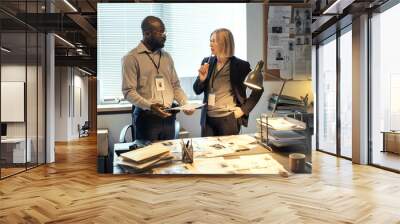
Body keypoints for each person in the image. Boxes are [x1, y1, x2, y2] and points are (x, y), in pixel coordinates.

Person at [122, 16, 194, 142]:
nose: (164, 36)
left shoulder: (167, 57)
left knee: (169, 157)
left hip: (169, 117)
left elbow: (175, 86)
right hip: (147, 119)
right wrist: (150, 106)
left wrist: (184, 103)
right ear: (147, 33)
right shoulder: (131, 58)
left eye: (165, 32)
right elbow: (128, 91)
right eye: (160, 33)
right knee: (149, 159)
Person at [193, 28, 264, 137]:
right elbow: (197, 90)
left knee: (228, 152)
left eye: (213, 41)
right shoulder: (206, 62)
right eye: (210, 41)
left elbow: (258, 90)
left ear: (224, 43)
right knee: (207, 152)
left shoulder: (241, 66)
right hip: (207, 119)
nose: (210, 44)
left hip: (228, 120)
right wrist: (202, 79)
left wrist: (243, 110)